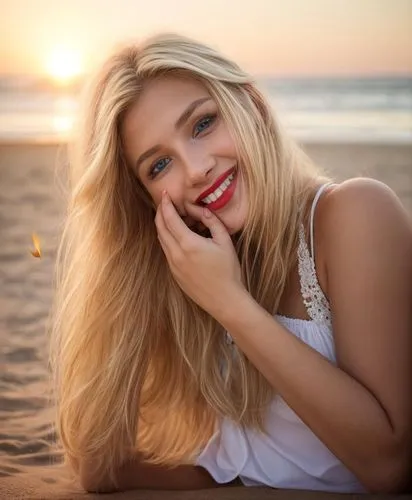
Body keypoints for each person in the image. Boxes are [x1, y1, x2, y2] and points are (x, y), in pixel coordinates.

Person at [49, 33, 412, 494]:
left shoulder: (354, 214)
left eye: (202, 124)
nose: (196, 168)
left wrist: (231, 304)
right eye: (159, 166)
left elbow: (389, 467)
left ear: (252, 104)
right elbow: (102, 469)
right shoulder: (188, 269)